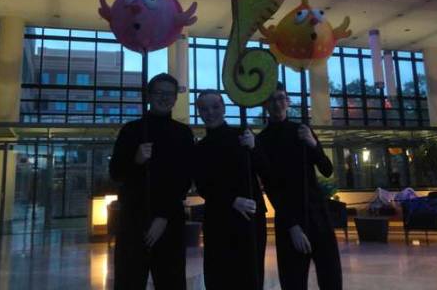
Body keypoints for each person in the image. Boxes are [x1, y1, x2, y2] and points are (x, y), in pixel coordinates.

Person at [109, 73, 194, 290]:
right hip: (134, 220)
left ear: (175, 98)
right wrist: (135, 160)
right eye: (159, 93)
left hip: (170, 222)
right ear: (149, 96)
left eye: (169, 94)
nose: (164, 98)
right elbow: (116, 173)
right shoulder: (131, 131)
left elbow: (184, 179)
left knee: (171, 281)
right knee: (129, 280)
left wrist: (163, 217)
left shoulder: (183, 133)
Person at [255, 82, 342, 290]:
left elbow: (327, 169)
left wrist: (313, 144)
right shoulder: (262, 141)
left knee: (330, 276)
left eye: (281, 98)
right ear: (265, 104)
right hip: (288, 219)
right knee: (293, 280)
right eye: (271, 99)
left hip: (317, 213)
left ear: (288, 101)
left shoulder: (302, 130)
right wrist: (292, 226)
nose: (277, 104)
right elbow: (272, 187)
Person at [193, 90, 266, 290]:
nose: (210, 112)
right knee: (219, 277)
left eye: (215, 107)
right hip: (219, 219)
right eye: (204, 109)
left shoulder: (243, 136)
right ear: (199, 112)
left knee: (250, 277)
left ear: (224, 108)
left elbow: (266, 170)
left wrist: (254, 148)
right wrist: (232, 200)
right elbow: (203, 186)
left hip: (250, 217)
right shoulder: (200, 148)